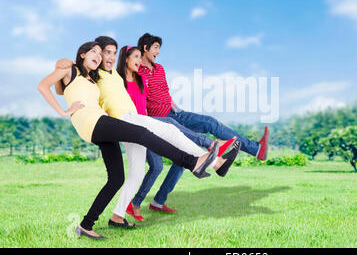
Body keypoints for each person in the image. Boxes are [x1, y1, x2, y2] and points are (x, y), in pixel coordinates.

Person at [38, 41, 238, 239]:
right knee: (145, 134)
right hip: (94, 122)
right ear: (81, 54)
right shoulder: (70, 69)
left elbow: (64, 89)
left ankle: (86, 224)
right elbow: (46, 86)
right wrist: (63, 108)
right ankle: (194, 161)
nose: (99, 56)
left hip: (101, 122)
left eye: (102, 53)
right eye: (95, 51)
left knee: (117, 179)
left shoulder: (90, 77)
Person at [114, 44, 238, 219]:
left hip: (148, 127)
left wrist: (169, 102)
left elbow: (154, 99)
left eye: (140, 57)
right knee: (170, 128)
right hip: (133, 125)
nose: (139, 60)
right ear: (125, 59)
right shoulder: (118, 82)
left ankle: (134, 203)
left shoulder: (141, 80)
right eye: (135, 56)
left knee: (157, 166)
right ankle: (210, 145)